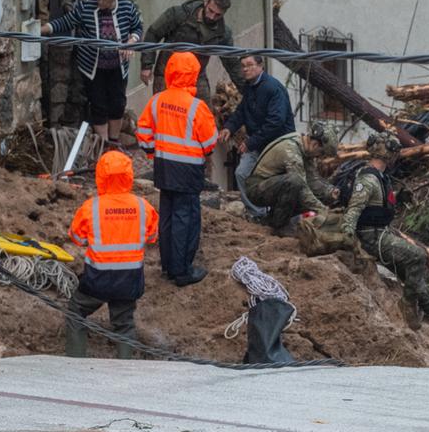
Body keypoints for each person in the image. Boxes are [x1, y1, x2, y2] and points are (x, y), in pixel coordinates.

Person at [341, 132, 429, 331]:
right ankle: (407, 305)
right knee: (417, 256)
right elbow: (354, 208)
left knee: (410, 271)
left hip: (381, 232)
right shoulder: (368, 179)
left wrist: (398, 197)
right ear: (388, 154)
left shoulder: (379, 176)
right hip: (371, 236)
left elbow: (376, 202)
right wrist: (348, 238)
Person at [65, 150, 160, 359]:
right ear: (129, 176)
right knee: (124, 324)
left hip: (98, 278)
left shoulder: (91, 207)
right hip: (129, 278)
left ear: (100, 176)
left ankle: (74, 364)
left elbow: (77, 238)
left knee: (75, 312)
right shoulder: (142, 206)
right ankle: (125, 370)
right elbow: (152, 236)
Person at [136, 52, 219, 287]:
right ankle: (182, 271)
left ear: (170, 71)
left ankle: (168, 266)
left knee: (168, 215)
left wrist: (153, 152)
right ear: (193, 74)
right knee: (187, 218)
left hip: (163, 167)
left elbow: (143, 132)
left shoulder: (157, 100)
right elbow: (210, 141)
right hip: (189, 169)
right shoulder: (196, 107)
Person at [43, 0, 143, 144]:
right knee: (98, 104)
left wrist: (131, 41)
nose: (100, 2)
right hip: (93, 67)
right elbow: (66, 22)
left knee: (117, 103)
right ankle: (103, 144)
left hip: (118, 66)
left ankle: (114, 141)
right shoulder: (86, 8)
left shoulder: (127, 8)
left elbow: (137, 27)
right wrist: (42, 30)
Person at [218, 55, 295, 217]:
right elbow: (241, 112)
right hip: (258, 143)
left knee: (282, 181)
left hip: (278, 145)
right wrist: (229, 128)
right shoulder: (250, 87)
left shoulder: (272, 88)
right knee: (242, 173)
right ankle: (258, 214)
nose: (245, 69)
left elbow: (276, 121)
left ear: (261, 66)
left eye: (250, 65)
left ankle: (287, 218)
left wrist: (251, 142)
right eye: (243, 66)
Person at [139, 0, 243, 102]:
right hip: (168, 73)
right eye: (210, 11)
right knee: (166, 110)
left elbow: (232, 63)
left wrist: (247, 89)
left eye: (218, 15)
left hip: (197, 76)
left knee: (204, 112)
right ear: (206, 2)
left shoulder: (222, 33)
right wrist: (147, 65)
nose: (212, 17)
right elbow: (153, 33)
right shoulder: (179, 15)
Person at [244, 121, 338, 234]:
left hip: (274, 185)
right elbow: (301, 187)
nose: (319, 158)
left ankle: (271, 220)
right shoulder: (291, 149)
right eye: (321, 154)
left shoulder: (305, 150)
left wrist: (329, 192)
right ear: (315, 145)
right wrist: (322, 210)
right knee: (295, 182)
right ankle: (279, 225)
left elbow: (313, 180)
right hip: (256, 188)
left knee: (323, 193)